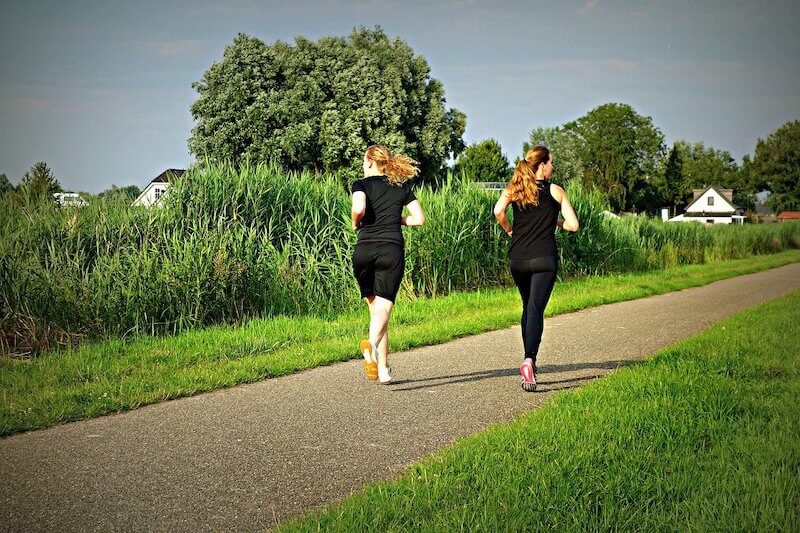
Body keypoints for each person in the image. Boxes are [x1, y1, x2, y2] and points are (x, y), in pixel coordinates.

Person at [493, 146, 579, 391]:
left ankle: (528, 360)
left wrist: (510, 230)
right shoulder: (555, 191)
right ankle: (529, 359)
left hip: (518, 259)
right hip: (544, 260)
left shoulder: (516, 188)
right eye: (551, 163)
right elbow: (573, 225)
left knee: (527, 306)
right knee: (535, 309)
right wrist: (555, 221)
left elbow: (498, 211)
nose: (552, 167)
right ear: (542, 165)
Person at [351, 145, 426, 384]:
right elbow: (419, 219)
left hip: (364, 250)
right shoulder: (401, 187)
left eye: (363, 161)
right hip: (390, 250)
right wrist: (398, 219)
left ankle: (383, 370)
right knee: (383, 310)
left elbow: (359, 208)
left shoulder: (360, 184)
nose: (363, 165)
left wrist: (355, 223)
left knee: (377, 313)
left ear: (370, 162)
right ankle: (371, 345)